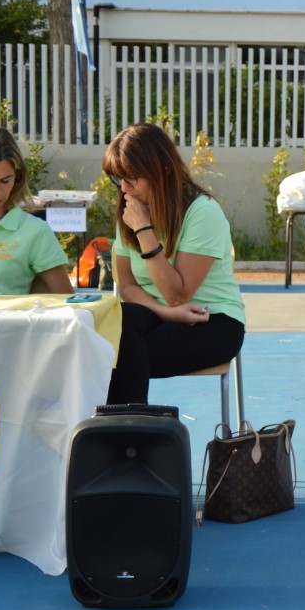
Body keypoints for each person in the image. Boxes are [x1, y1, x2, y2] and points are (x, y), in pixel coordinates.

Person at [102, 122, 246, 405]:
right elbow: (127, 286)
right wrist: (166, 314)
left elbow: (178, 295)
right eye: (118, 179)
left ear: (162, 170)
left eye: (132, 178)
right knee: (114, 326)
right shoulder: (130, 211)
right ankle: (129, 426)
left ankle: (128, 428)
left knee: (118, 353)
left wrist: (144, 230)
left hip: (211, 320)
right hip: (158, 315)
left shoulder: (202, 212)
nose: (125, 189)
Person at [0, 126, 72, 295]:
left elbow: (67, 301)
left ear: (18, 177)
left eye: (5, 180)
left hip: (6, 314)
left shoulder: (36, 231)